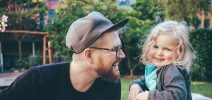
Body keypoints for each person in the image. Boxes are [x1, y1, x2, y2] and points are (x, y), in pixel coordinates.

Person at [0, 11, 129, 100]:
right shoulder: (37, 81)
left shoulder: (110, 84)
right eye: (115, 49)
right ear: (89, 55)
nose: (122, 55)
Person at [128, 20, 196, 100]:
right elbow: (145, 81)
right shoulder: (156, 69)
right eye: (155, 47)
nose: (159, 53)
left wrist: (149, 96)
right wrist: (136, 85)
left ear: (179, 52)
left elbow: (177, 96)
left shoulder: (172, 70)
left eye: (167, 49)